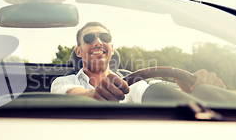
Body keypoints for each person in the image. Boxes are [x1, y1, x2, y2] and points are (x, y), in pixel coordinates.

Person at [51, 22, 225, 102]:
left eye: (104, 37)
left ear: (111, 47)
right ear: (79, 51)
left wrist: (192, 92)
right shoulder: (64, 81)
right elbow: (71, 94)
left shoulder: (133, 82)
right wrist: (92, 95)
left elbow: (153, 94)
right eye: (89, 38)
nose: (97, 42)